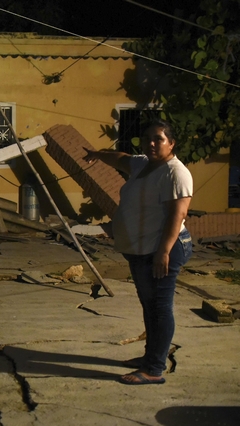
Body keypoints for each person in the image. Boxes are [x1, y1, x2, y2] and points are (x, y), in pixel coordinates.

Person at [83, 118, 193, 385]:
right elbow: (121, 158)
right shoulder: (143, 164)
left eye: (159, 139)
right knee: (150, 306)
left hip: (163, 248)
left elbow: (177, 217)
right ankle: (150, 356)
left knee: (160, 308)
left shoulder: (175, 173)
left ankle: (154, 369)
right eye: (147, 139)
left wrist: (163, 253)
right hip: (141, 249)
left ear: (172, 143)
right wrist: (97, 155)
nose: (152, 143)